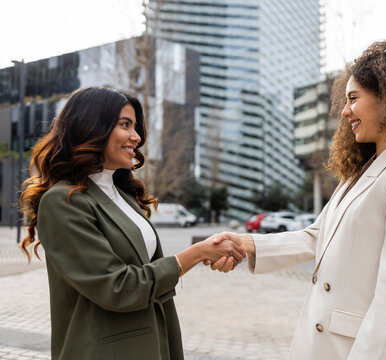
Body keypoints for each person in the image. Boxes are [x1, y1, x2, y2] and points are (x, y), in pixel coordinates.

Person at [208, 40, 386, 359]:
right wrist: (244, 243)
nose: (344, 111)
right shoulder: (360, 172)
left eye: (354, 98)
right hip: (322, 344)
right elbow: (316, 236)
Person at [20, 87, 245, 360]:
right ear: (92, 126)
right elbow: (118, 288)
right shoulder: (63, 201)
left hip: (154, 342)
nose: (137, 137)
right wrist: (198, 252)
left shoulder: (122, 195)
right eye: (125, 124)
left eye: (135, 127)